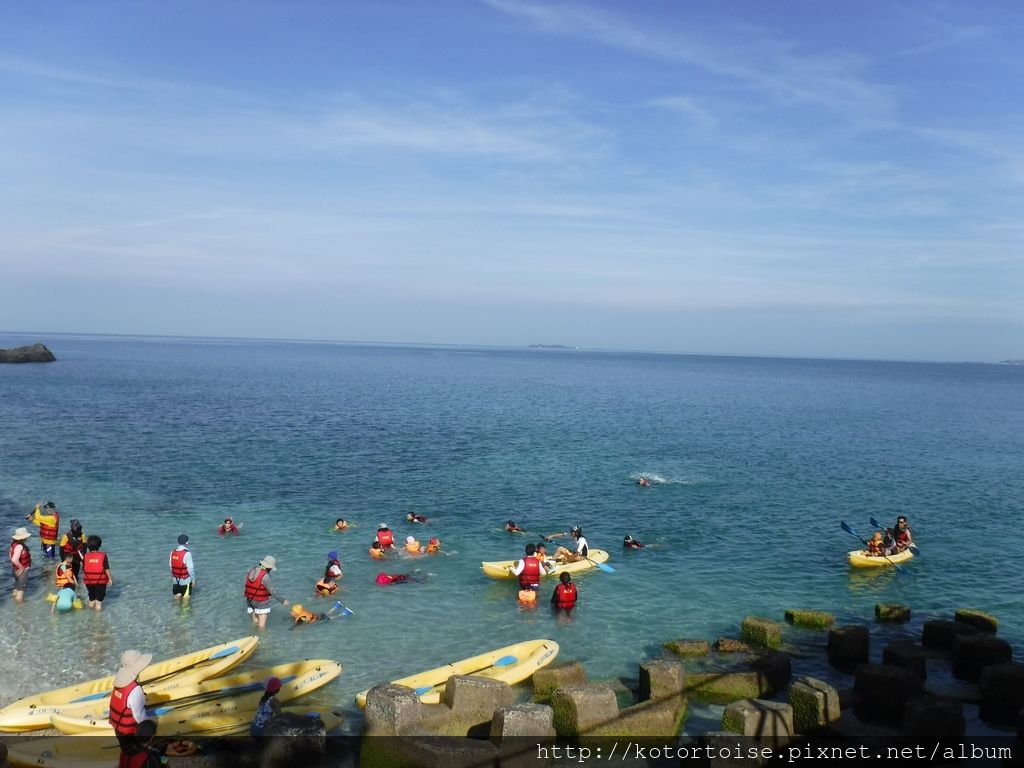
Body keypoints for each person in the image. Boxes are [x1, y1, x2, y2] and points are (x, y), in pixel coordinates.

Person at [109, 649, 153, 750]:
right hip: (131, 732)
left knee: (128, 754)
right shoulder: (135, 690)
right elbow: (139, 717)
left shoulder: (119, 684)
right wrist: (151, 727)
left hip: (119, 730)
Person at [244, 556, 288, 628]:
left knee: (255, 621)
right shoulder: (265, 576)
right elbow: (273, 592)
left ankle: (252, 634)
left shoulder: (252, 570)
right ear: (268, 567)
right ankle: (262, 637)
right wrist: (283, 601)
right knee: (262, 626)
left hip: (250, 599)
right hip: (261, 602)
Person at [82, 535, 113, 611]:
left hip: (88, 581)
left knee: (91, 599)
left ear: (88, 546)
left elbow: (84, 568)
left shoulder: (85, 556)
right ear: (99, 545)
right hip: (100, 582)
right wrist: (110, 579)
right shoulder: (103, 556)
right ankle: (97, 621)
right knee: (98, 602)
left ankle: (89, 615)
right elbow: (106, 569)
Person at [250, 676, 282, 742]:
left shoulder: (263, 698)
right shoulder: (275, 702)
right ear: (276, 689)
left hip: (253, 728)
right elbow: (279, 718)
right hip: (261, 731)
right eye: (279, 686)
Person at [169, 534, 196, 601]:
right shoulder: (187, 553)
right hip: (185, 581)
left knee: (176, 598)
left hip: (175, 580)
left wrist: (174, 576)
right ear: (187, 542)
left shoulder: (173, 552)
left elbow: (170, 565)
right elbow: (190, 568)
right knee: (186, 601)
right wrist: (193, 580)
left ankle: (174, 611)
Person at [10, 527, 33, 602]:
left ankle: (12, 604)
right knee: (20, 592)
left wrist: (16, 566)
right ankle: (20, 610)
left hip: (15, 570)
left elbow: (10, 555)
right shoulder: (20, 546)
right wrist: (22, 567)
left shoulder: (13, 543)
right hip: (21, 572)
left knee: (16, 588)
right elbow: (14, 559)